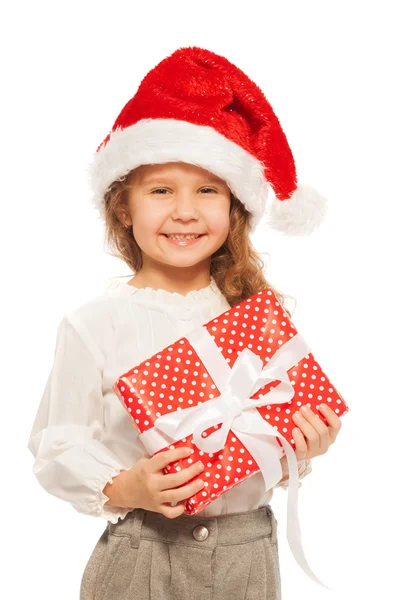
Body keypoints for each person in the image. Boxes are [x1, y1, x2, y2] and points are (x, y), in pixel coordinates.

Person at [27, 46, 342, 600]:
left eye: (207, 190)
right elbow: (59, 443)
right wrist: (128, 485)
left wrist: (303, 447)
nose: (185, 211)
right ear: (123, 207)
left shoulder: (255, 319)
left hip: (250, 560)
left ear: (235, 208)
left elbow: (263, 440)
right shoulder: (95, 324)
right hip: (143, 557)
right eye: (161, 190)